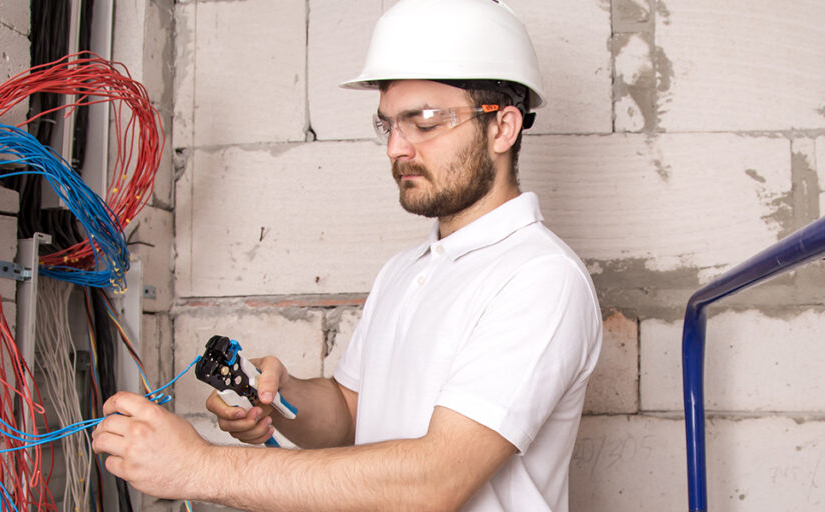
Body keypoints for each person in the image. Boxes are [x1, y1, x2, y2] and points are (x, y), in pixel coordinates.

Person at [91, 0, 602, 510]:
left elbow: (436, 481)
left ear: (503, 128)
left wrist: (199, 466)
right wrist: (282, 396)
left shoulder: (539, 277)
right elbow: (350, 417)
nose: (396, 149)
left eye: (423, 122)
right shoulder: (407, 272)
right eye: (388, 125)